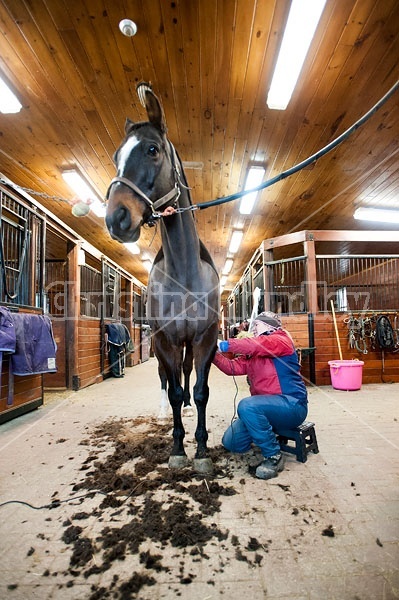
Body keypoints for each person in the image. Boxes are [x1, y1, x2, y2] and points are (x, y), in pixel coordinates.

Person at [213, 311, 308, 480]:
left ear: (270, 326)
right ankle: (264, 433)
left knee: (247, 405)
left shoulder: (281, 340)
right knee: (231, 442)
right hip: (263, 409)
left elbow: (257, 344)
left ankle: (273, 455)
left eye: (257, 325)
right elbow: (232, 368)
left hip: (291, 406)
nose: (253, 329)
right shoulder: (254, 353)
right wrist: (212, 353)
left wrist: (225, 345)